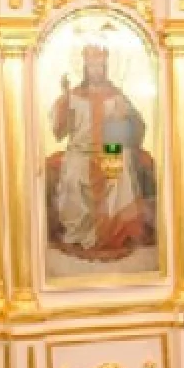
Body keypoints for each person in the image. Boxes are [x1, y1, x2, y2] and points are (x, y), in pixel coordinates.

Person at [49, 43, 154, 260]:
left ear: (105, 68)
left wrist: (124, 118)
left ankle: (112, 234)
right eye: (92, 66)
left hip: (109, 148)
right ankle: (81, 234)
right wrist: (64, 98)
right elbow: (59, 131)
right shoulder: (74, 95)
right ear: (85, 68)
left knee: (119, 173)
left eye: (100, 66)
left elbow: (136, 125)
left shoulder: (116, 95)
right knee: (73, 176)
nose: (96, 70)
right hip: (80, 149)